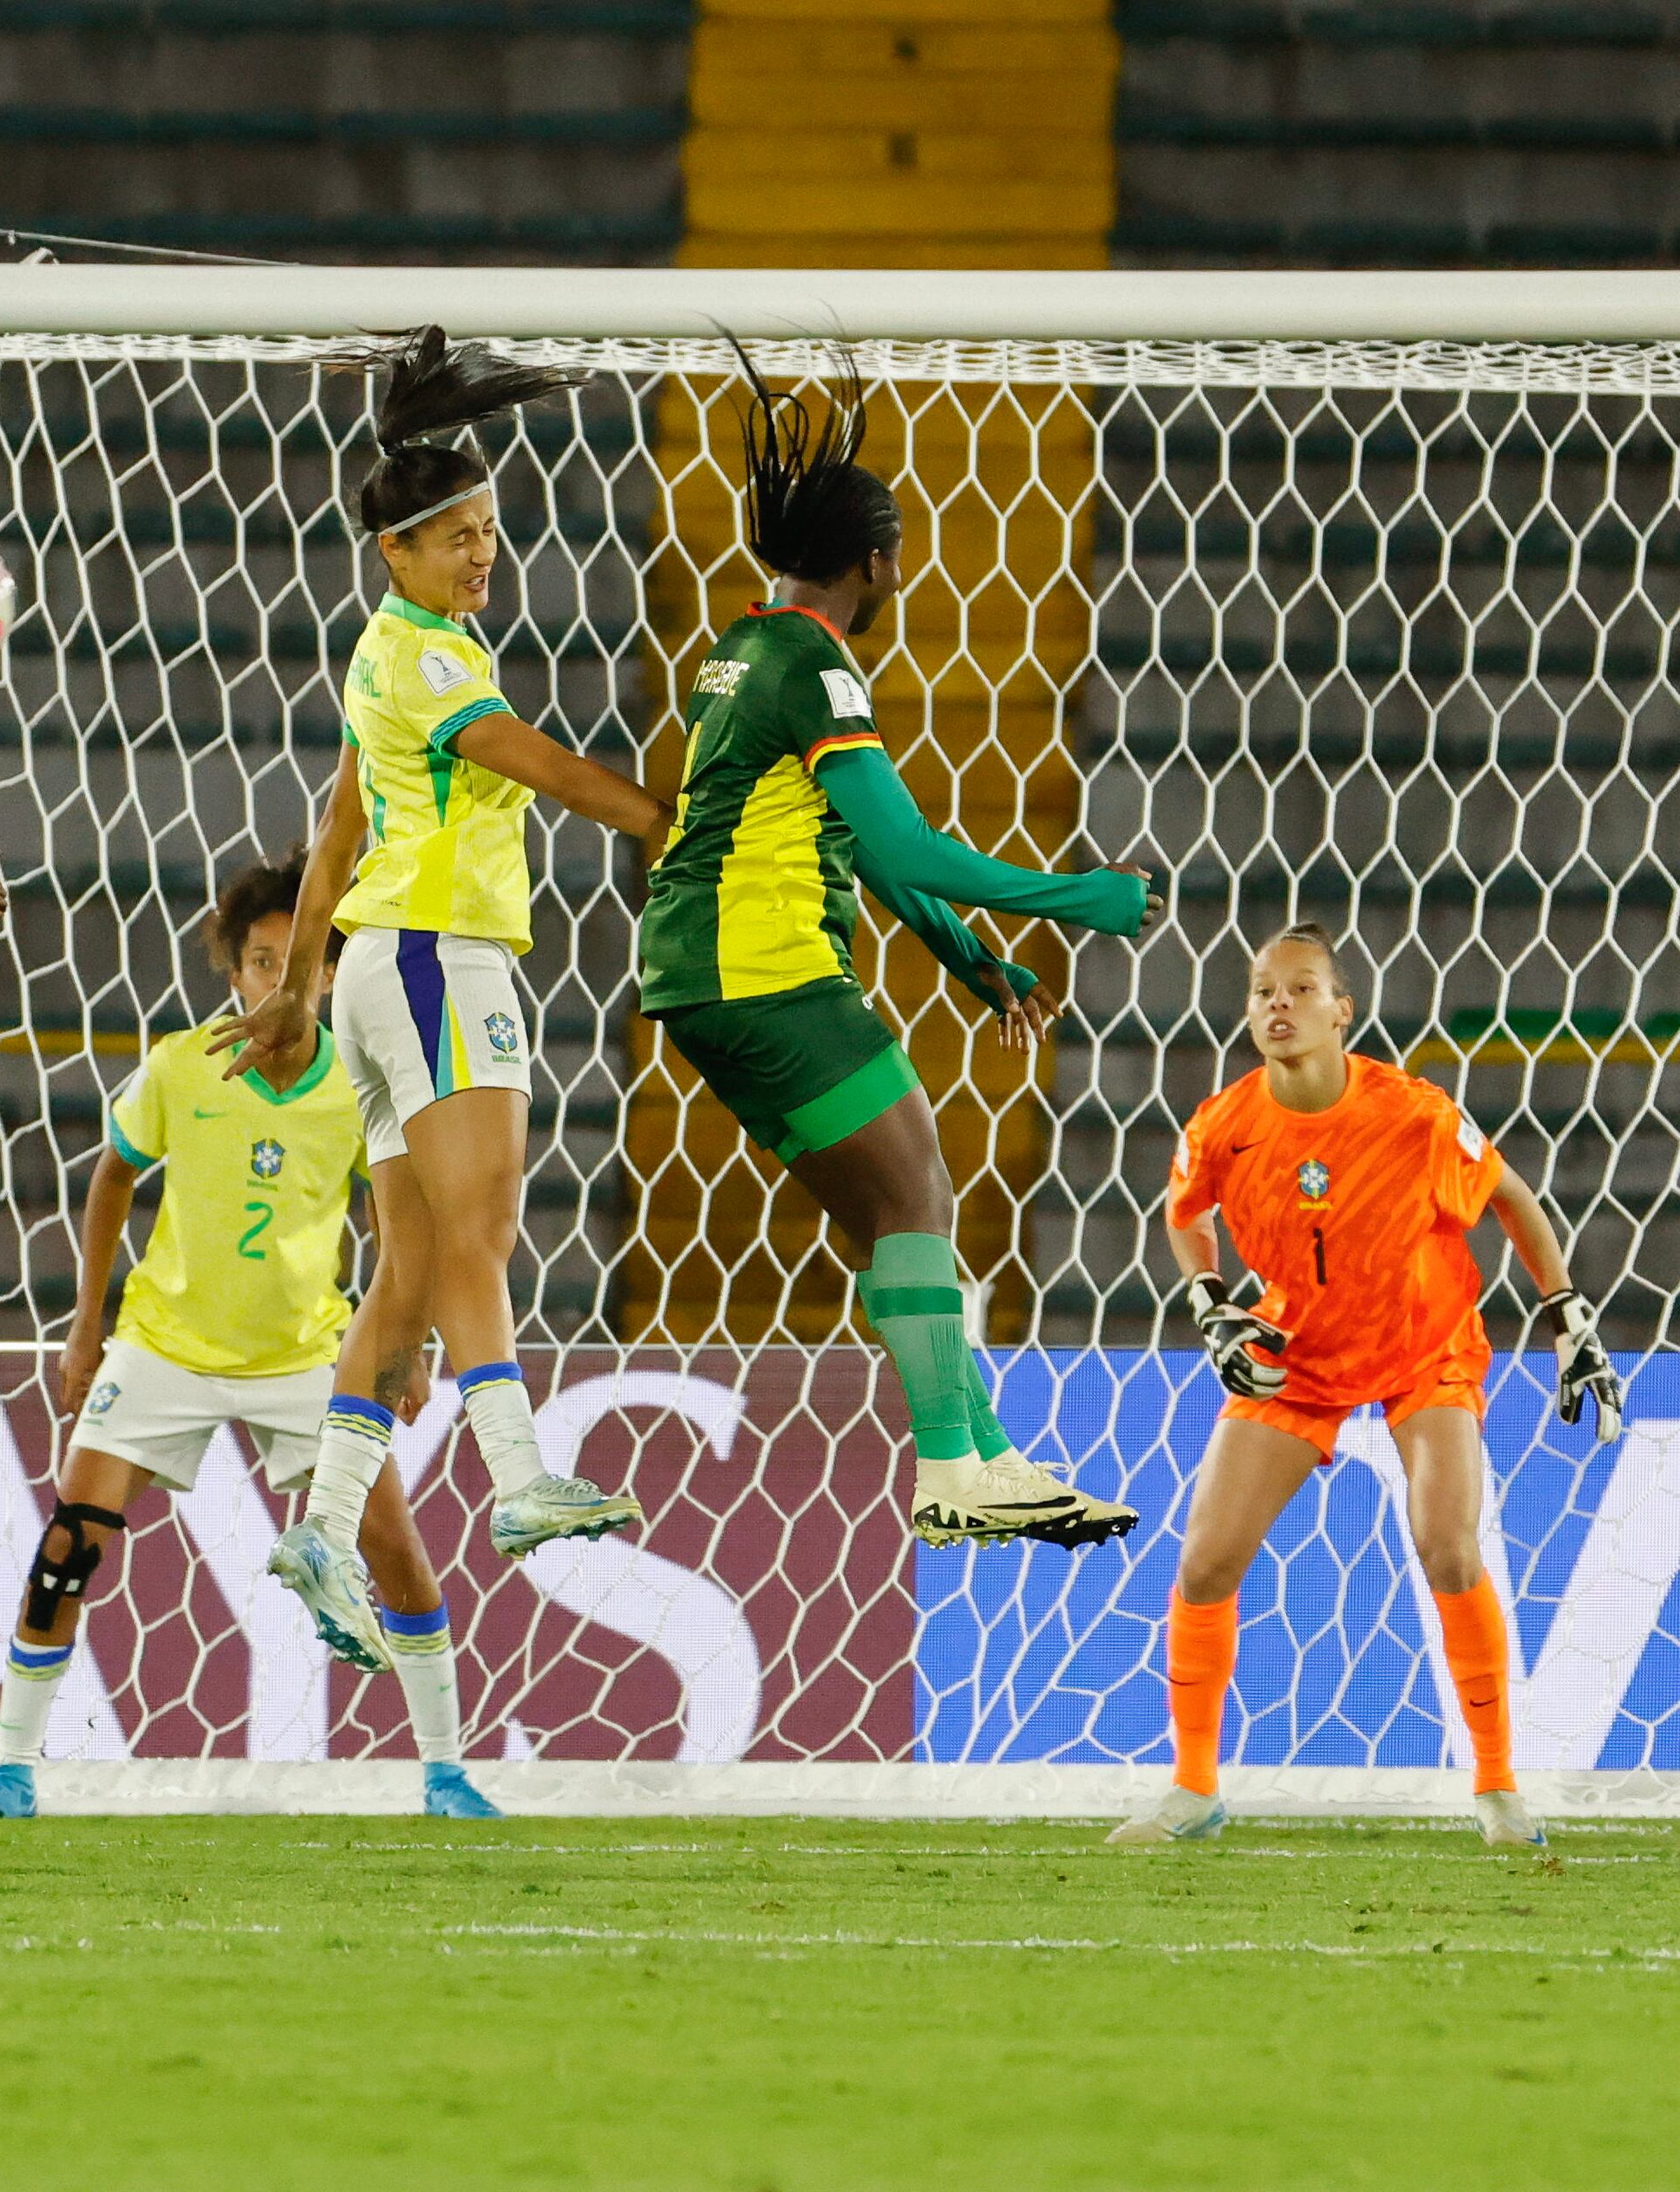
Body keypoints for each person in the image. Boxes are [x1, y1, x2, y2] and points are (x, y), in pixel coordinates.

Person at [636, 341, 1160, 1553]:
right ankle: (952, 1465)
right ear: (875, 559)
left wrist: (970, 956)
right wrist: (1078, 895)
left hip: (707, 975)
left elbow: (864, 855)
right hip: (760, 968)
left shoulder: (745, 647)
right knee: (920, 1182)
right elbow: (909, 846)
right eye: (898, 545)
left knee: (897, 1212)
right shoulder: (813, 667)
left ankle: (976, 1455)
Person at [218, 327, 670, 1672]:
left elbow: (339, 826)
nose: (480, 551)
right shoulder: (431, 663)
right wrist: (670, 819)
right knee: (479, 1228)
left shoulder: (378, 659)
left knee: (411, 1270)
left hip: (374, 966)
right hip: (434, 956)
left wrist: (297, 987)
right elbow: (526, 759)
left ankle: (323, 1526)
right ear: (395, 551)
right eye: (452, 534)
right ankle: (519, 1475)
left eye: (486, 529)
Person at [0, 853, 501, 1822]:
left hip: (308, 1355)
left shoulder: (360, 1084)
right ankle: (12, 1769)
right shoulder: (181, 1063)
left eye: (291, 960)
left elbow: (392, 1225)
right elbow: (113, 1175)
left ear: (326, 974)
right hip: (164, 1345)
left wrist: (402, 1345)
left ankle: (447, 1772)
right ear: (232, 970)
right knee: (67, 1545)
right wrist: (87, 1329)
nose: (268, 978)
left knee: (396, 1552)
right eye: (253, 960)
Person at [1110, 927, 1623, 1851]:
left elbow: (1509, 1193)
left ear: (1341, 1009)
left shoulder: (1413, 1115)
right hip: (1297, 1357)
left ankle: (1499, 1786)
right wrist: (1207, 1299)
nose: (1276, 1004)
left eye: (1300, 988)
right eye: (1262, 989)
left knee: (1447, 1549)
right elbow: (1182, 1212)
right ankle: (1191, 1790)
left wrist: (1566, 1312)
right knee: (1204, 1562)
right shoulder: (1224, 1125)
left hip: (1423, 1349)